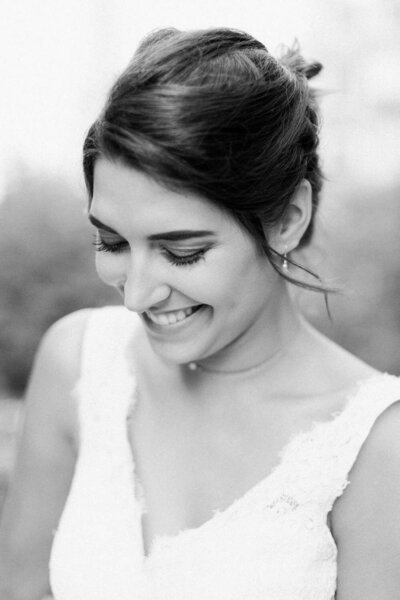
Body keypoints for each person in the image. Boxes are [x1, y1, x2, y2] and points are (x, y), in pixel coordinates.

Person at [1, 26, 400, 600]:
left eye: (182, 252)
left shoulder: (375, 447)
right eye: (112, 243)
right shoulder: (79, 363)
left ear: (286, 220)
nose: (136, 294)